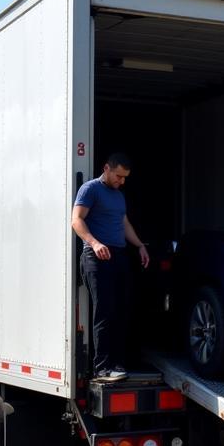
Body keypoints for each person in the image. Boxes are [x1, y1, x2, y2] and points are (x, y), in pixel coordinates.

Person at [71, 152, 149, 381]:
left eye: (125, 178)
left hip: (118, 255)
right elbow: (76, 220)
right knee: (104, 310)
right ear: (106, 168)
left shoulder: (118, 196)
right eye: (118, 176)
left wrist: (140, 246)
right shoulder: (90, 189)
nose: (121, 181)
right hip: (96, 257)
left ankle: (118, 363)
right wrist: (94, 243)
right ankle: (102, 368)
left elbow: (123, 223)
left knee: (121, 309)